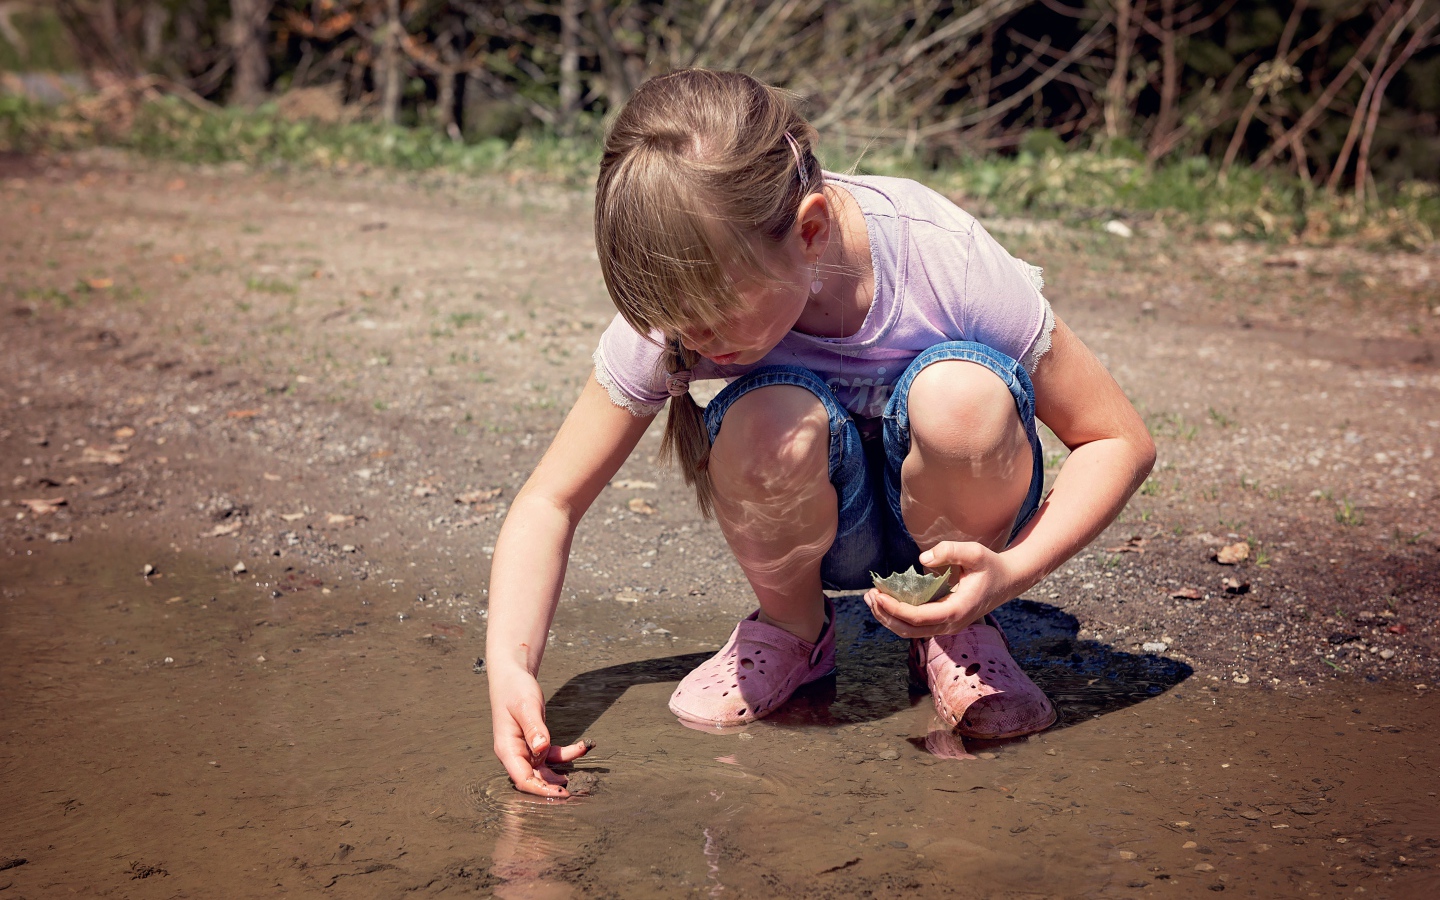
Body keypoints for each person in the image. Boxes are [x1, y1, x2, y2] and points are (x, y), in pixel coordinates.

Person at [486, 68, 1155, 797]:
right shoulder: (681, 301)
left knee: (960, 397)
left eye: (712, 315)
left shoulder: (940, 256)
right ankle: (793, 631)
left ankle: (956, 625)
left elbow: (1116, 440)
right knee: (766, 422)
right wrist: (513, 673)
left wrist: (1009, 577)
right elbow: (550, 500)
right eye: (676, 321)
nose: (693, 336)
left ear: (808, 232)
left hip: (963, 521)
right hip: (819, 528)